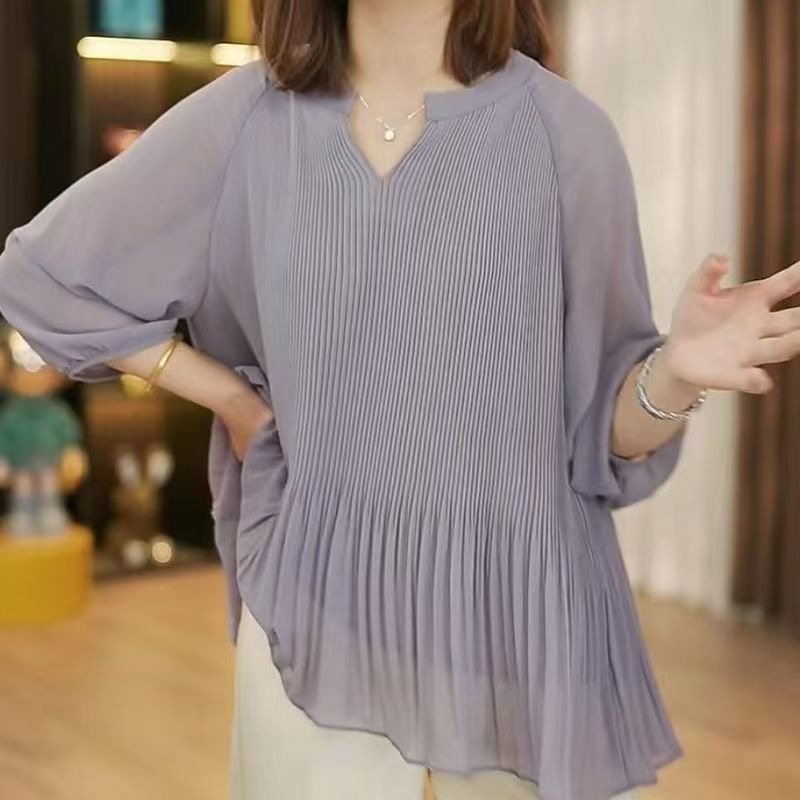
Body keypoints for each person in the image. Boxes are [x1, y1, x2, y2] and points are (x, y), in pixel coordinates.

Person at [1, 1, 799, 798]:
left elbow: (605, 438)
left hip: (521, 612)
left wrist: (677, 373)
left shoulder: (566, 134)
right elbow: (43, 279)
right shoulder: (245, 120)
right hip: (317, 597)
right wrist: (230, 399)